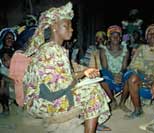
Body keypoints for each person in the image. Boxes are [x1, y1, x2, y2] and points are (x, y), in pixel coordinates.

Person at [22, 2, 110, 133]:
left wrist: (86, 70)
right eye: (66, 25)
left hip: (45, 96)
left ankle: (91, 120)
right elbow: (61, 85)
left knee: (91, 85)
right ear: (54, 28)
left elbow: (70, 67)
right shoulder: (52, 50)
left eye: (71, 25)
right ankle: (90, 123)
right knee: (93, 92)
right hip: (43, 102)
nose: (72, 29)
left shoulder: (53, 48)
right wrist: (84, 73)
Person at [100, 25, 131, 112]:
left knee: (130, 75)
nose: (115, 37)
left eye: (117, 35)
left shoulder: (125, 50)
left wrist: (120, 74)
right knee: (102, 75)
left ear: (120, 37)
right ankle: (113, 101)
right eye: (112, 35)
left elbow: (124, 67)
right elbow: (105, 68)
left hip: (121, 75)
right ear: (109, 38)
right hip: (110, 76)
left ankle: (122, 102)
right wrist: (114, 76)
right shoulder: (103, 50)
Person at [0, 50, 14, 116]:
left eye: (7, 59)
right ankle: (6, 108)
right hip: (9, 89)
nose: (5, 62)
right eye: (3, 60)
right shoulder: (3, 69)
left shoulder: (17, 67)